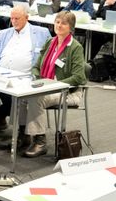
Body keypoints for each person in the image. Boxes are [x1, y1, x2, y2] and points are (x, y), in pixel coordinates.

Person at [0, 5, 50, 135]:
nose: (14, 21)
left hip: (26, 77)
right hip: (2, 73)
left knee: (13, 95)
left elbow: (47, 55)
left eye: (17, 18)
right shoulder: (5, 33)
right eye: (12, 18)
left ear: (26, 17)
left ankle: (0, 121)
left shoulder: (41, 32)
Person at [22, 11, 87, 157]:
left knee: (35, 98)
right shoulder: (50, 42)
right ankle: (23, 134)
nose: (59, 25)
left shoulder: (75, 47)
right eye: (57, 22)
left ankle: (40, 141)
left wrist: (52, 84)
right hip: (46, 86)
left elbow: (78, 77)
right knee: (20, 96)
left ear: (71, 28)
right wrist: (38, 78)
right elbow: (36, 66)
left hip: (68, 92)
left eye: (64, 23)